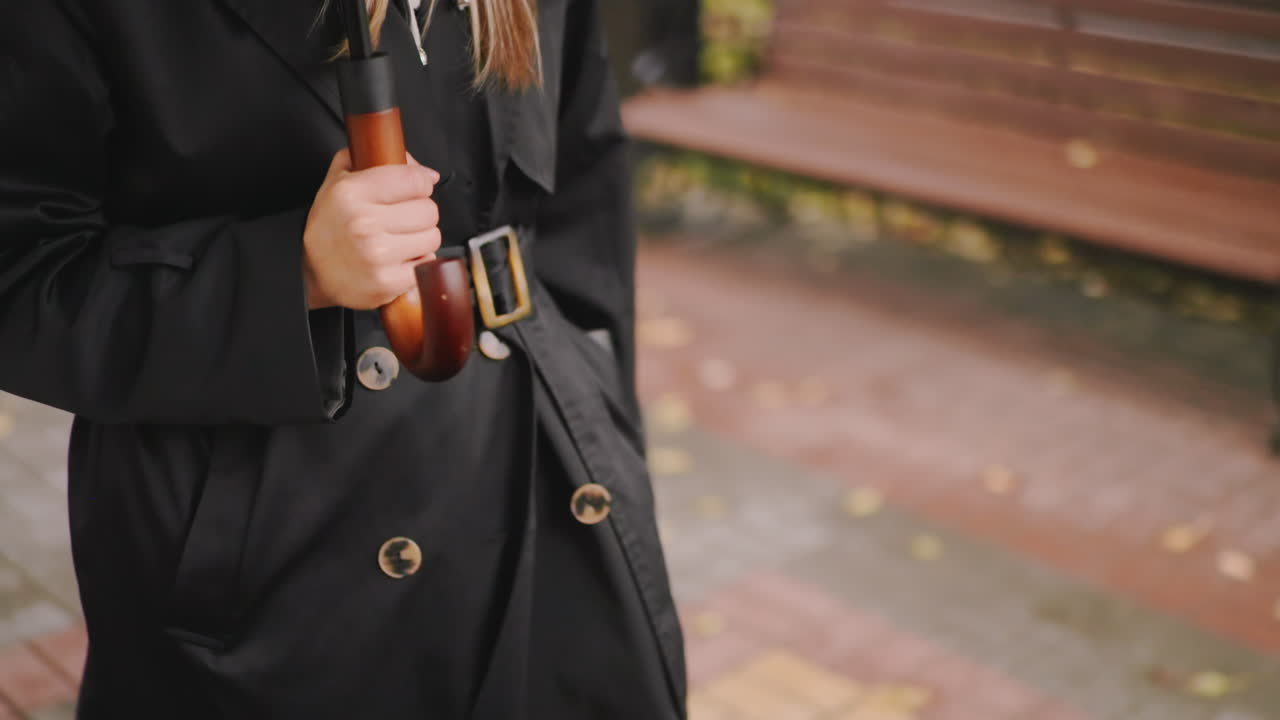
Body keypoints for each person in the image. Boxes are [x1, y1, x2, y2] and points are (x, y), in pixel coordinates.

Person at [0, 0, 686, 717]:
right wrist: (289, 275)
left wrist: (606, 421)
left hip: (545, 484)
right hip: (272, 557)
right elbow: (20, 272)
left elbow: (585, 195)